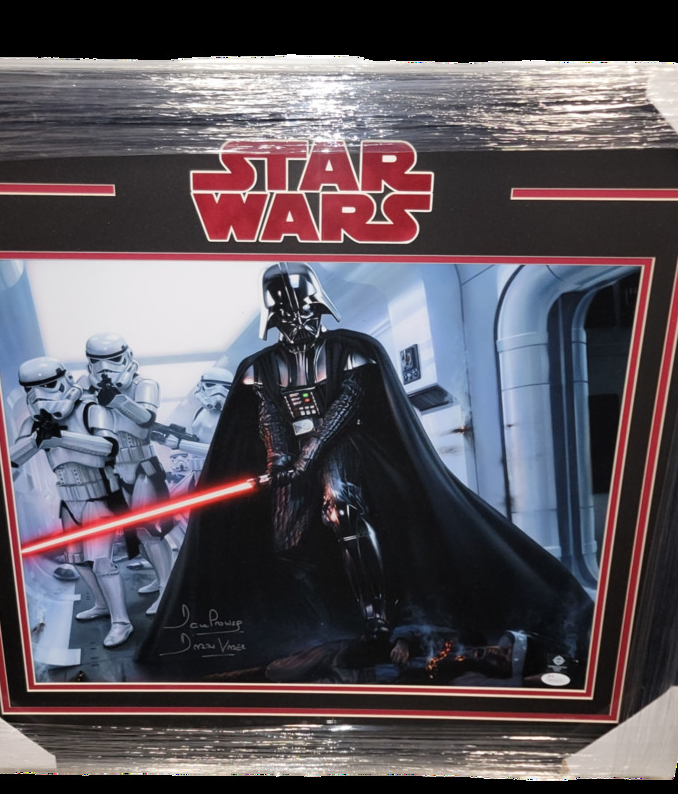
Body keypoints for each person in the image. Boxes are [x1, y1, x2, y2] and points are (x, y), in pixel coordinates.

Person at [139, 263, 592, 681]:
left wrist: (308, 456)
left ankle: (376, 619)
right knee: (286, 541)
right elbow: (270, 417)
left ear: (318, 305)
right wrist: (279, 459)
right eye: (287, 315)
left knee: (343, 510)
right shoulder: (260, 367)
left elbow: (346, 405)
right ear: (273, 317)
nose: (298, 322)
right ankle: (328, 619)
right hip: (294, 456)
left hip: (347, 446)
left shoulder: (351, 350)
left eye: (304, 310)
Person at [9, 357, 133, 648]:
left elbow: (108, 448)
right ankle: (102, 604)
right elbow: (12, 460)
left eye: (48, 385)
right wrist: (36, 440)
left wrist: (62, 438)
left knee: (102, 561)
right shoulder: (34, 422)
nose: (39, 395)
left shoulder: (90, 409)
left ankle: (122, 622)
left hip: (97, 498)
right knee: (77, 560)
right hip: (68, 501)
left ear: (65, 380)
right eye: (31, 389)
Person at [80, 333, 173, 615]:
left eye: (113, 360)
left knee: (150, 530)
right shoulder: (86, 386)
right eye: (97, 362)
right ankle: (162, 579)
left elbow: (146, 419)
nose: (104, 368)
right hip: (113, 468)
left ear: (127, 356)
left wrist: (118, 401)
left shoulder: (144, 384)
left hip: (142, 465)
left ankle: (167, 588)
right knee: (134, 533)